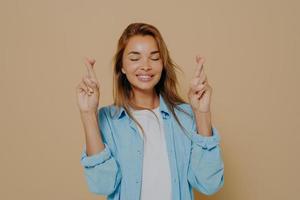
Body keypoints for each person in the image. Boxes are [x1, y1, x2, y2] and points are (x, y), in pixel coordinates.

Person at [76, 22, 224, 200]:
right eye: (134, 58)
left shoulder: (185, 116)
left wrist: (202, 113)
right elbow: (102, 185)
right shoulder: (108, 119)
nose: (145, 66)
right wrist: (87, 114)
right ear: (121, 66)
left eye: (154, 57)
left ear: (163, 64)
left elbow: (209, 184)